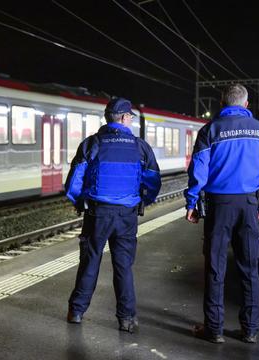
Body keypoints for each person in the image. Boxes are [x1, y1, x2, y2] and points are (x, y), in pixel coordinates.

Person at [184, 84, 259, 344]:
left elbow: (198, 170)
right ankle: (250, 330)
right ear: (246, 105)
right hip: (249, 206)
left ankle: (214, 328)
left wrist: (192, 202)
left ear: (222, 102)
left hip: (219, 206)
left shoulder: (210, 130)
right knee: (249, 268)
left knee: (215, 267)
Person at [65, 97, 161, 333]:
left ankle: (77, 311)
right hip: (127, 216)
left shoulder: (92, 143)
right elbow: (153, 181)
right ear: (126, 117)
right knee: (123, 267)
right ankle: (126, 319)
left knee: (90, 262)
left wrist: (80, 201)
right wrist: (142, 200)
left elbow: (73, 183)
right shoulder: (140, 147)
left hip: (97, 214)